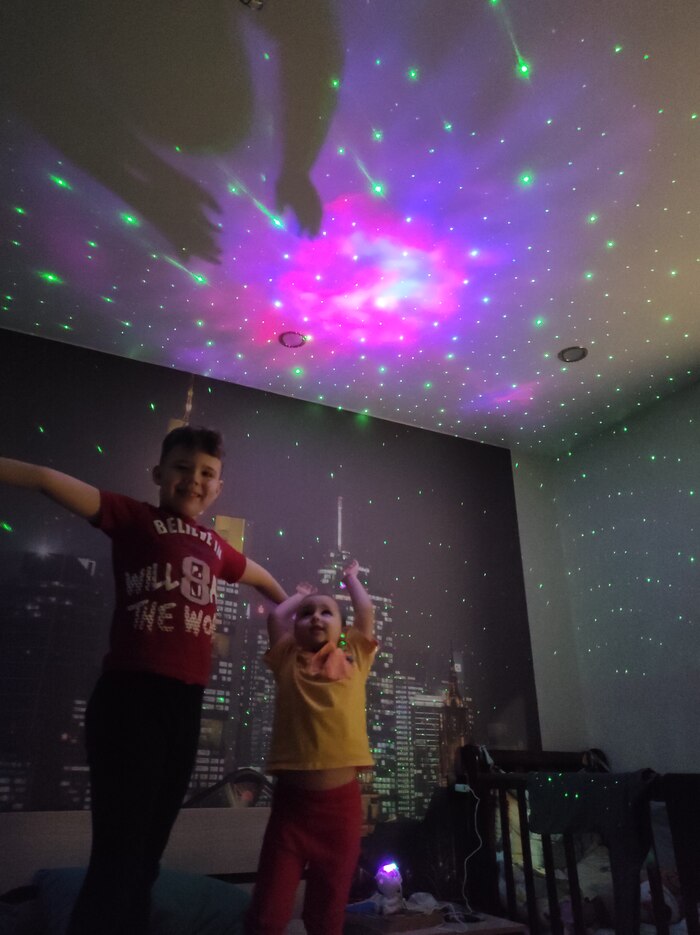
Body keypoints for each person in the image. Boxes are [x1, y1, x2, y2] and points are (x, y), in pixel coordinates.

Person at [0, 425, 288, 935]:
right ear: (158, 473)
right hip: (131, 699)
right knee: (119, 855)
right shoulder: (134, 516)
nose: (194, 480)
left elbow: (262, 578)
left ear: (219, 487)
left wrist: (295, 613)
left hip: (185, 706)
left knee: (146, 857)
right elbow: (45, 478)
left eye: (207, 473)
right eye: (182, 468)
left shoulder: (216, 546)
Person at [245, 559, 377, 935]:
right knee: (268, 914)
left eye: (326, 612)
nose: (316, 617)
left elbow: (365, 611)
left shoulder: (354, 656)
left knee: (327, 915)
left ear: (343, 629)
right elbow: (276, 618)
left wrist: (351, 579)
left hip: (341, 811)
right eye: (306, 614)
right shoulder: (287, 658)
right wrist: (296, 597)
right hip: (291, 810)